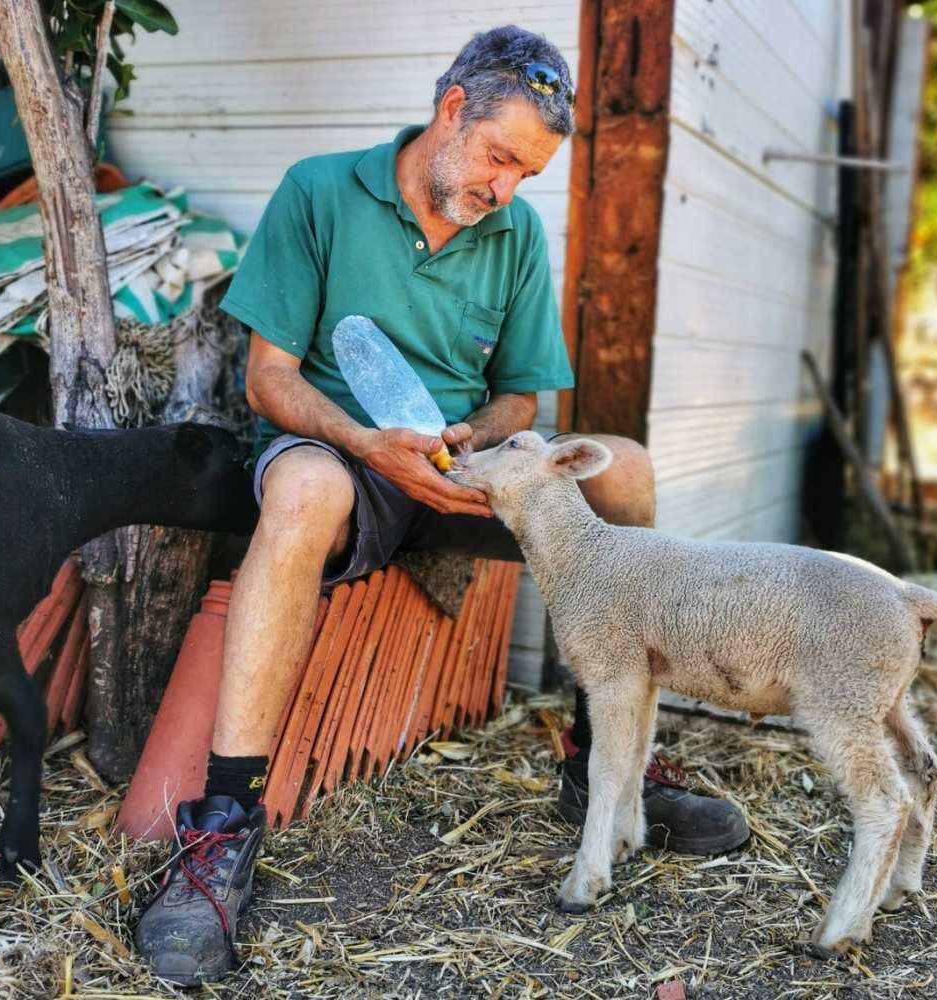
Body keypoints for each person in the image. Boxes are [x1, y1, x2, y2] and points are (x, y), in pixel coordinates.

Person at [134, 25, 747, 985]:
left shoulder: (515, 233)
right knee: (301, 489)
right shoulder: (320, 190)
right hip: (345, 447)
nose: (505, 189)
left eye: (526, 174)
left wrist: (475, 442)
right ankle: (220, 832)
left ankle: (603, 767)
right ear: (451, 108)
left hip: (463, 463)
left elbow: (522, 401)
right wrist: (370, 442)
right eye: (501, 158)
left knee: (622, 471)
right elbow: (269, 378)